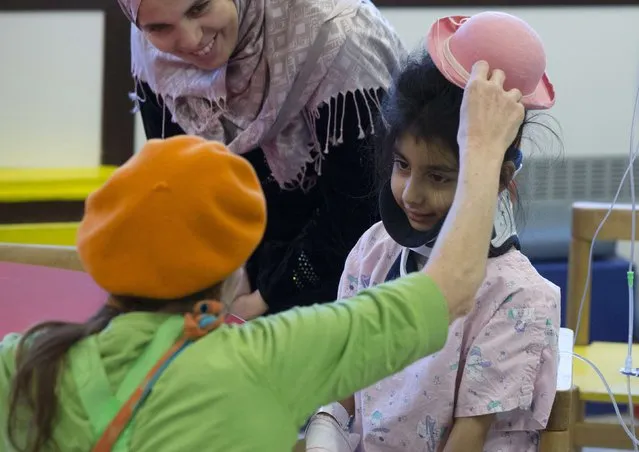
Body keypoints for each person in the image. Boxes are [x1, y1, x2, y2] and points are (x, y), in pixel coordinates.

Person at [0, 60, 525, 452]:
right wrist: (481, 147)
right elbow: (451, 286)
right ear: (234, 267)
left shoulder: (22, 363)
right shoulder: (271, 356)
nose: (412, 192)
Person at [304, 12, 561, 452]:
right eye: (402, 166)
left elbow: (470, 438)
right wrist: (324, 430)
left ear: (496, 178)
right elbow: (341, 387)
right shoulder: (373, 253)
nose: (412, 195)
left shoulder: (518, 297)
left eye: (440, 177)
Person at [116, 0, 407, 319]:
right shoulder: (150, 34)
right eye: (160, 28)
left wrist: (263, 299)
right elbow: (178, 176)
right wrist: (225, 276)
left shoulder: (340, 37)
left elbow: (360, 208)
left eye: (199, 8)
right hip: (241, 256)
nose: (189, 40)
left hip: (341, 267)